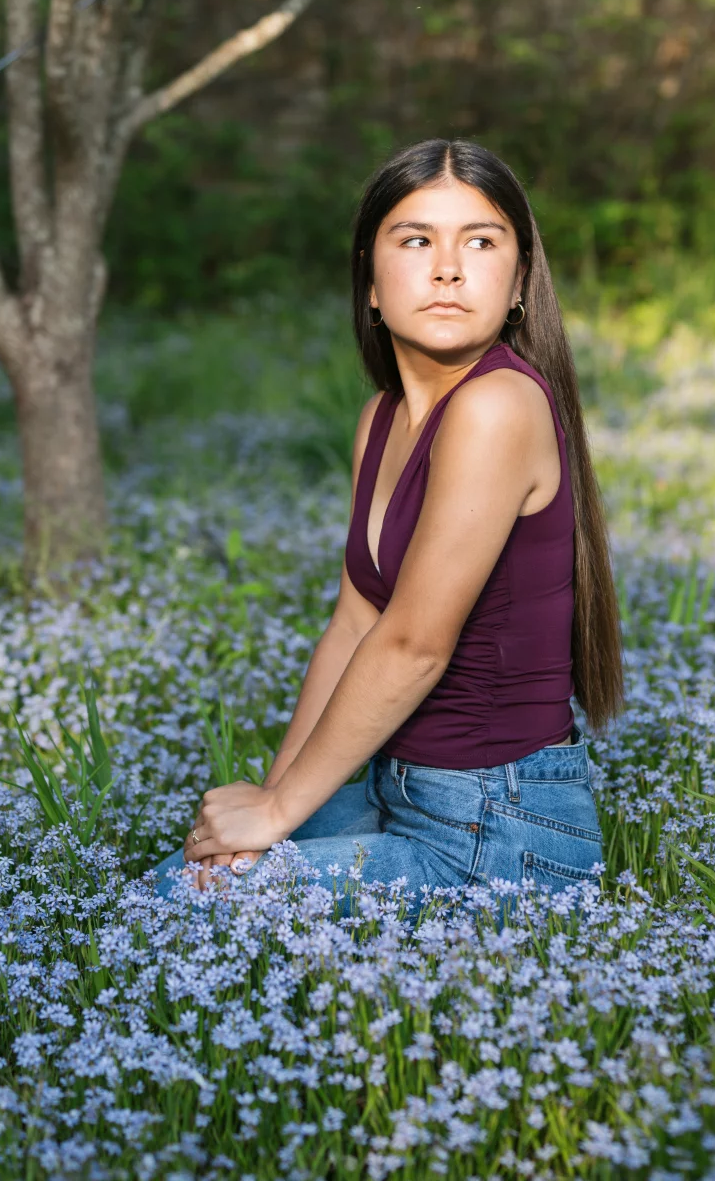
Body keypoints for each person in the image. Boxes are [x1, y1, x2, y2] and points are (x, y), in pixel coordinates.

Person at [153, 138, 625, 921]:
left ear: (517, 283)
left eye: (480, 241)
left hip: (502, 838)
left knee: (185, 902)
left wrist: (273, 818)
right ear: (372, 281)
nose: (448, 268)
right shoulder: (381, 418)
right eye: (415, 241)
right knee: (190, 872)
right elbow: (355, 624)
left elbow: (413, 644)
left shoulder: (497, 406)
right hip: (397, 791)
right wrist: (273, 798)